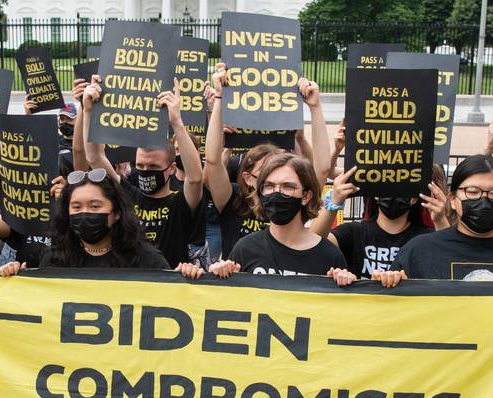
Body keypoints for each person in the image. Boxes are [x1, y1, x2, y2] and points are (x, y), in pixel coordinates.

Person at [204, 63, 331, 258]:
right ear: (247, 177)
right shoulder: (233, 200)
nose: (276, 187)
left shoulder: (293, 200)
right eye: (265, 175)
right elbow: (212, 161)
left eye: (281, 176)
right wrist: (220, 99)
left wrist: (315, 107)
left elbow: (321, 169)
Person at [80, 76, 205, 267]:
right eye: (141, 166)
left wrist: (177, 123)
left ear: (171, 168)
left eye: (154, 167)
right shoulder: (128, 195)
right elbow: (94, 158)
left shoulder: (179, 202)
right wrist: (90, 110)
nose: (146, 171)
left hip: (169, 286)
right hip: (132, 285)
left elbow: (195, 178)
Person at [196, 153, 355, 286]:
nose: (276, 193)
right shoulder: (245, 249)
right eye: (269, 186)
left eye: (287, 186)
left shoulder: (330, 256)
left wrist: (345, 284)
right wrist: (219, 276)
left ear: (306, 196)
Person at [389, 155, 493, 281]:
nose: (484, 201)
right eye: (472, 192)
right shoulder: (418, 252)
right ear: (452, 199)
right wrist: (388, 285)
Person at [0, 168, 169, 274]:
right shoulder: (53, 259)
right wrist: (16, 279)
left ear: (117, 213)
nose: (85, 213)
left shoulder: (147, 259)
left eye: (95, 206)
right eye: (76, 207)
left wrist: (186, 278)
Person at [307, 166, 449, 278]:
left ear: (414, 198)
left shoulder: (424, 239)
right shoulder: (354, 232)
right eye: (387, 186)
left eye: (402, 188)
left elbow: (450, 262)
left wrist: (441, 220)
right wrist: (333, 204)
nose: (393, 192)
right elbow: (311, 245)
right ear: (375, 193)